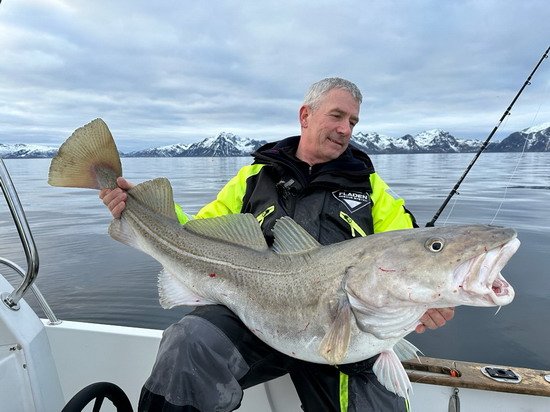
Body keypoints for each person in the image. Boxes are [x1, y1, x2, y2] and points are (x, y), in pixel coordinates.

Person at [100, 77, 454, 411]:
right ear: (306, 115)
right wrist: (139, 207)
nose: (346, 129)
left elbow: (412, 256)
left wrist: (430, 300)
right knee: (188, 343)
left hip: (348, 334)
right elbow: (196, 232)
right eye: (337, 115)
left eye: (353, 121)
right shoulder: (254, 177)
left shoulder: (373, 190)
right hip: (252, 315)